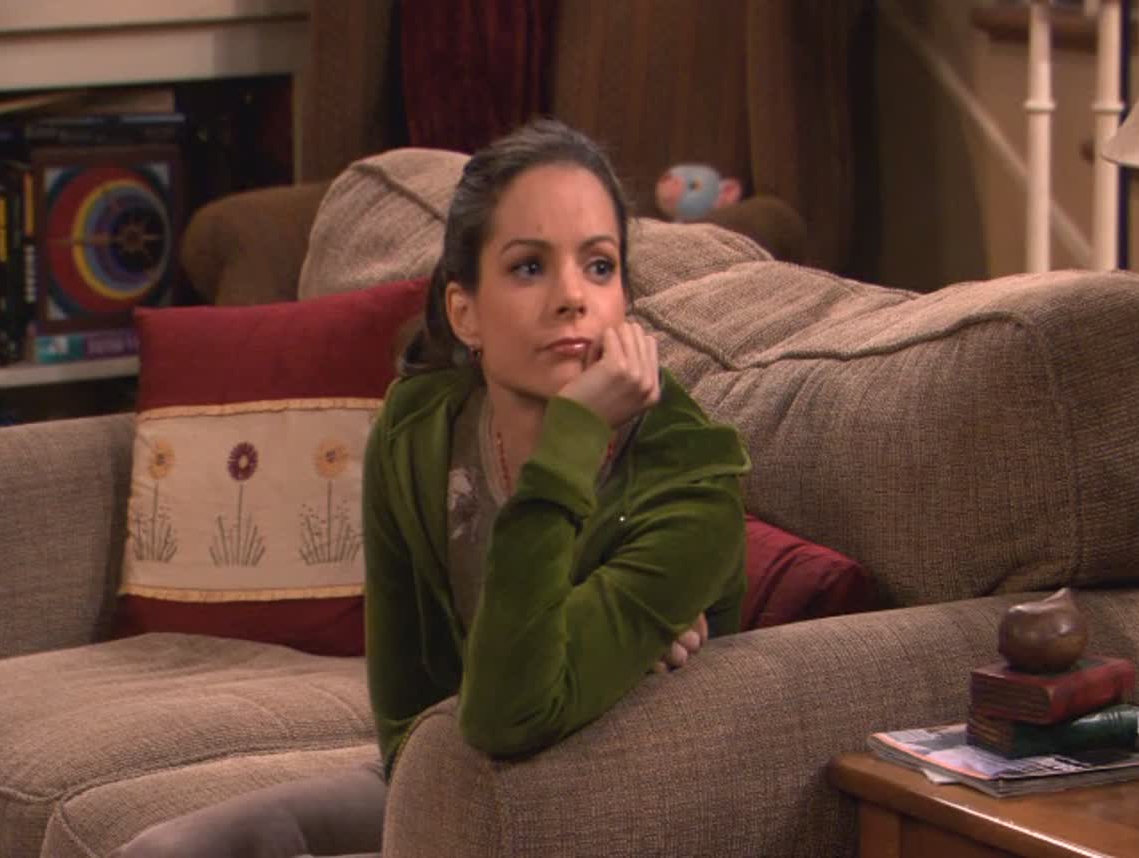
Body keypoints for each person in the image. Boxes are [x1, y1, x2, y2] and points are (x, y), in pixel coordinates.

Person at [113, 118, 749, 857]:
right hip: (450, 780)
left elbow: (510, 712)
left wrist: (571, 436)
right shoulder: (419, 428)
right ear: (464, 312)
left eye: (599, 266)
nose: (573, 297)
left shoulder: (694, 480)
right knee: (164, 851)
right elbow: (408, 709)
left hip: (597, 807)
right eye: (529, 267)